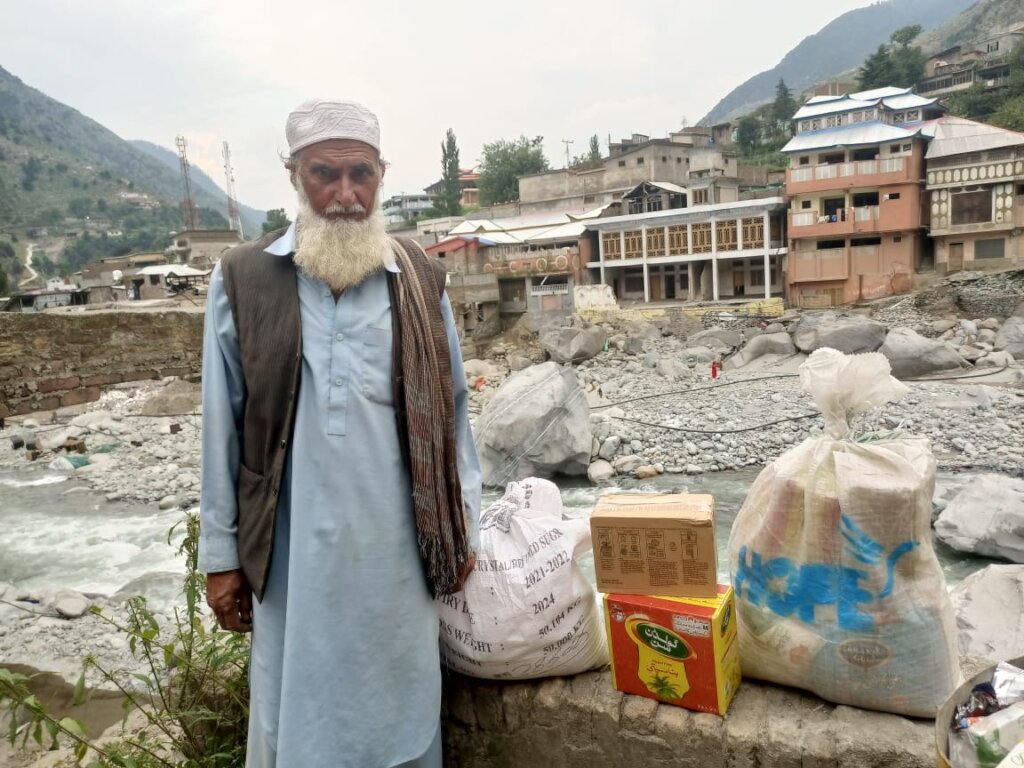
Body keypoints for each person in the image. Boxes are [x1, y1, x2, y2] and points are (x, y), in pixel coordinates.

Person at [198, 98, 481, 768]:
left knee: (400, 709)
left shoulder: (419, 277)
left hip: (399, 554)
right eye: (327, 173)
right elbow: (222, 423)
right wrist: (221, 555)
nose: (347, 194)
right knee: (295, 710)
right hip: (293, 553)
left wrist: (464, 520)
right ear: (295, 175)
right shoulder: (242, 277)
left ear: (381, 175)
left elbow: (455, 410)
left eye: (362, 174)